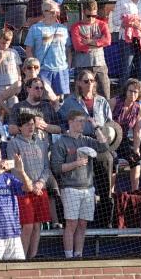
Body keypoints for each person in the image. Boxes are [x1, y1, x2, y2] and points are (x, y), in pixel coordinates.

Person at [50, 109, 110, 258]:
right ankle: (68, 256)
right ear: (70, 122)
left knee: (83, 224)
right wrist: (75, 163)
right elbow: (57, 168)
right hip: (70, 188)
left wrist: (96, 127)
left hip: (88, 188)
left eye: (84, 121)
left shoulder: (86, 139)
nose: (82, 124)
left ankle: (79, 255)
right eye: (79, 121)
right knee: (71, 224)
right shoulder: (61, 143)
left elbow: (104, 146)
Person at [60, 70, 115, 227]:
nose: (90, 83)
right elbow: (62, 123)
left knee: (107, 160)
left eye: (92, 80)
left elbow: (110, 124)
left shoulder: (102, 101)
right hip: (79, 144)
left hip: (99, 143)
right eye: (86, 81)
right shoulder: (70, 102)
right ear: (78, 83)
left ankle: (105, 219)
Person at [8, 112, 51, 259]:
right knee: (27, 226)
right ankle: (21, 258)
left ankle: (33, 257)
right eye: (27, 124)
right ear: (20, 127)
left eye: (32, 124)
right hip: (23, 191)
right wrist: (30, 185)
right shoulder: (13, 144)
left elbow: (47, 167)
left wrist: (40, 183)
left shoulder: (42, 142)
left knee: (37, 225)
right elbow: (14, 169)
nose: (30, 127)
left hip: (40, 189)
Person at [24, 0, 71, 98]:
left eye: (55, 12)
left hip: (61, 70)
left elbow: (68, 50)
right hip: (43, 70)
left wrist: (68, 66)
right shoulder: (35, 28)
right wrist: (34, 69)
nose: (54, 14)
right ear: (44, 12)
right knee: (44, 98)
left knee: (61, 100)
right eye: (51, 11)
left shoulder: (63, 28)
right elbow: (28, 49)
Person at [70, 0, 112, 102]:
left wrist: (90, 42)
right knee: (80, 97)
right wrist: (98, 43)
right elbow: (78, 46)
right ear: (83, 12)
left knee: (105, 96)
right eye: (89, 16)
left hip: (100, 64)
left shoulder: (102, 24)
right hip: (81, 66)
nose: (91, 19)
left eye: (94, 16)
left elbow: (107, 41)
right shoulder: (76, 27)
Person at [111, 78, 141, 193]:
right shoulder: (114, 102)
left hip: (124, 139)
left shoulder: (139, 108)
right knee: (113, 161)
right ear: (125, 91)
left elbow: (137, 131)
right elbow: (104, 125)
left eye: (136, 92)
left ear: (139, 94)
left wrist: (137, 149)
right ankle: (110, 193)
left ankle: (134, 191)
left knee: (136, 159)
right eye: (130, 91)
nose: (132, 94)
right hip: (109, 140)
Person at [0, 27, 22, 102]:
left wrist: (19, 81)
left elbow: (17, 68)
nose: (5, 45)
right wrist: (0, 58)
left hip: (13, 85)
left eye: (8, 42)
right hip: (0, 86)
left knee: (14, 105)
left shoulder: (14, 52)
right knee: (0, 107)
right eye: (3, 43)